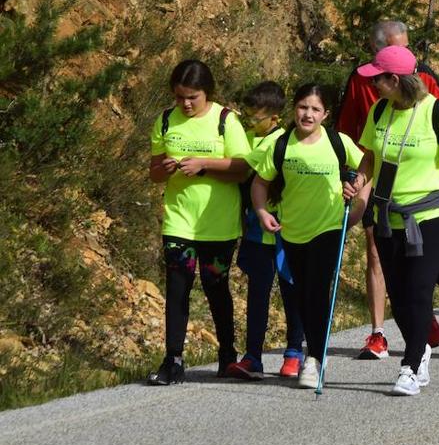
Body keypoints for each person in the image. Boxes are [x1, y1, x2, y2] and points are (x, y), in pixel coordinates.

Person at [347, 47, 439, 395]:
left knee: (418, 289)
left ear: (394, 80)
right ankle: (422, 346)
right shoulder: (379, 111)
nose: (372, 84)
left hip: (432, 216)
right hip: (388, 216)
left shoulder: (437, 114)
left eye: (377, 79)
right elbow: (370, 158)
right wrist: (358, 183)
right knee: (399, 297)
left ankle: (410, 366)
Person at [336, 20, 439, 361]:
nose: (409, 56)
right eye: (400, 48)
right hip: (373, 175)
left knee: (412, 262)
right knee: (375, 252)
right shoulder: (360, 80)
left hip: (418, 184)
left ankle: (419, 312)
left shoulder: (423, 76)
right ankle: (378, 333)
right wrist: (353, 176)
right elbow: (346, 129)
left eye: (408, 47)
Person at [249, 84, 363, 389]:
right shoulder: (282, 144)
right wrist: (262, 212)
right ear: (293, 109)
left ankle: (314, 359)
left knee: (316, 292)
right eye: (302, 107)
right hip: (292, 232)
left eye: (315, 109)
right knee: (302, 295)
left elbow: (368, 164)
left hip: (328, 227)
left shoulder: (338, 142)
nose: (307, 114)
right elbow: (260, 184)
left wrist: (358, 193)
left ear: (325, 114)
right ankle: (313, 353)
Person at [147, 60, 251, 385]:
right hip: (179, 220)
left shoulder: (225, 120)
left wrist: (204, 164)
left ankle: (227, 355)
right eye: (179, 98)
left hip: (217, 223)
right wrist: (165, 168)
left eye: (193, 97)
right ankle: (173, 360)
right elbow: (153, 174)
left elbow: (243, 168)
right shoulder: (165, 121)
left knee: (215, 287)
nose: (186, 104)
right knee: (177, 288)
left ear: (208, 92)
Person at [226, 81, 306, 381]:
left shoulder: (282, 142)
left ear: (274, 117)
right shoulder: (245, 137)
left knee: (291, 291)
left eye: (255, 117)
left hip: (286, 230)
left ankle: (294, 352)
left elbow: (243, 167)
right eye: (246, 115)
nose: (249, 121)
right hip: (255, 232)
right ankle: (253, 356)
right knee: (257, 292)